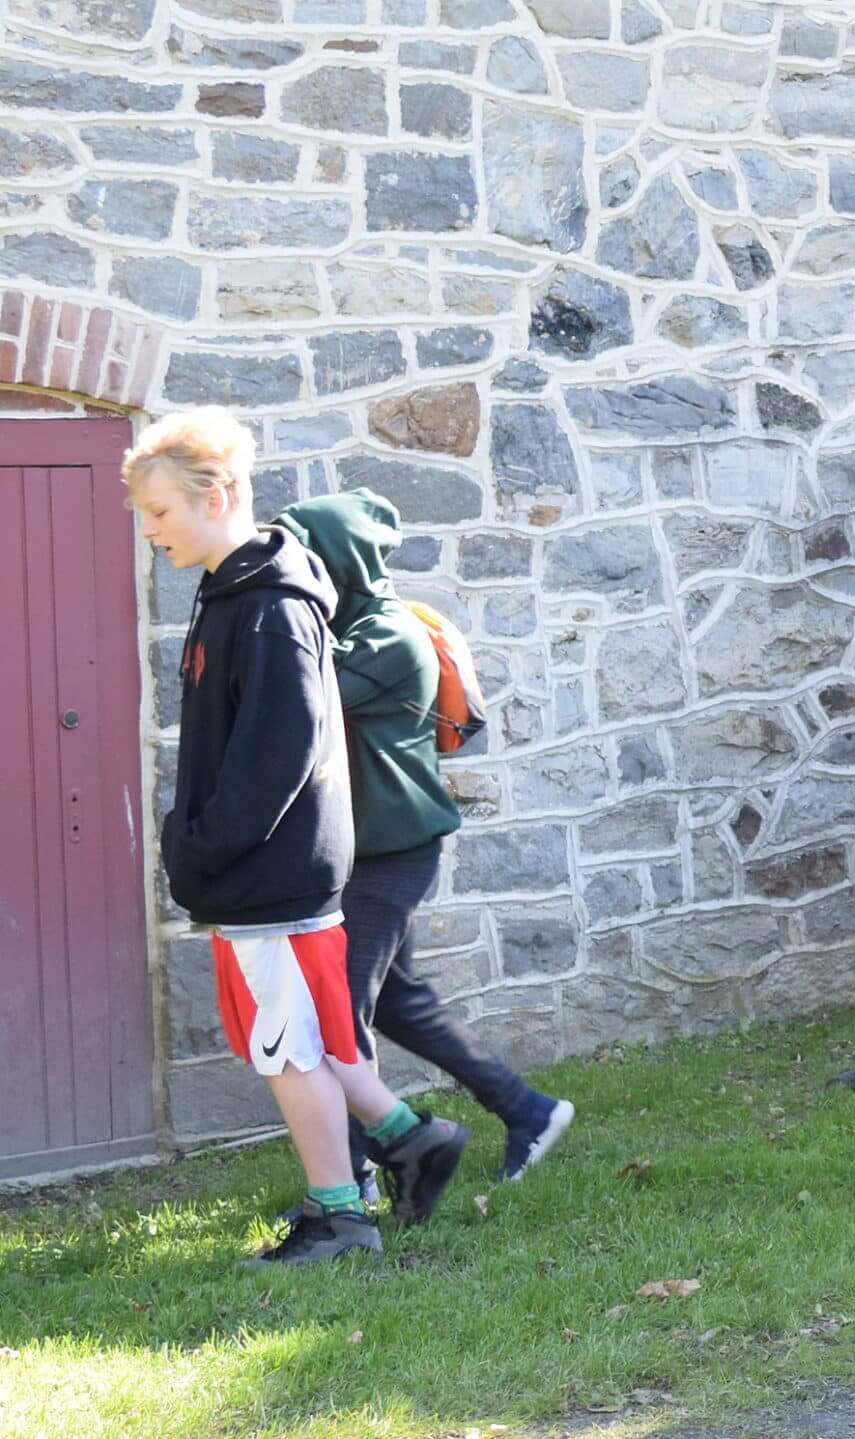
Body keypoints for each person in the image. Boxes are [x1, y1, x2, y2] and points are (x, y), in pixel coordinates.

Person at [126, 408, 470, 1266]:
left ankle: (338, 1218)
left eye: (160, 512)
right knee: (303, 1037)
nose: (151, 531)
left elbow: (276, 752)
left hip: (268, 872)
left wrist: (203, 846)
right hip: (263, 871)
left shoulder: (272, 606)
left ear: (220, 494)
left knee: (288, 1048)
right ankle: (413, 1140)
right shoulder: (232, 592)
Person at [274, 490, 574, 1194]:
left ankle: (354, 1171)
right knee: (397, 1002)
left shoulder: (388, 635)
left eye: (306, 556)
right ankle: (528, 1109)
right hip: (354, 857)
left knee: (334, 1015)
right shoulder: (346, 627)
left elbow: (306, 700)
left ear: (339, 560)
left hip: (391, 856)